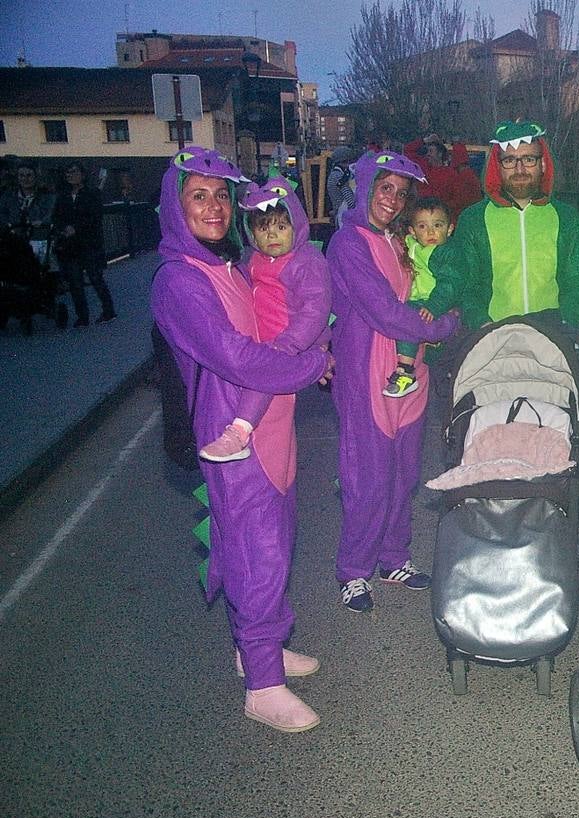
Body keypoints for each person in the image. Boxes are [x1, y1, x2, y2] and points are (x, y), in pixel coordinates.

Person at [150, 147, 330, 732]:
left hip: (273, 429)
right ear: (176, 207)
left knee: (276, 541)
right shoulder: (179, 280)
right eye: (198, 195)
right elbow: (234, 356)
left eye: (221, 195)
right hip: (233, 438)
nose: (214, 207)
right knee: (257, 554)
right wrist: (309, 367)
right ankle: (262, 685)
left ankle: (263, 649)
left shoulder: (227, 265)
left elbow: (276, 324)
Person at [327, 151, 460, 612]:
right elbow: (384, 310)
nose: (393, 199)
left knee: (404, 475)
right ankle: (354, 570)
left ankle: (392, 557)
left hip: (411, 374)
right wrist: (446, 325)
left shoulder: (400, 240)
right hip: (367, 375)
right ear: (364, 187)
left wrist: (450, 303)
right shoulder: (348, 243)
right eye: (385, 188)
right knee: (368, 479)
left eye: (401, 193)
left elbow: (428, 289)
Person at [198, 177, 332, 462]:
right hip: (267, 338)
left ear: (295, 226)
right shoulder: (253, 258)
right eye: (263, 228)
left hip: (291, 341)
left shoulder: (304, 260)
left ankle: (238, 433)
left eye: (281, 228)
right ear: (251, 233)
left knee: (262, 379)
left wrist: (290, 344)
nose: (273, 236)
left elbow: (316, 309)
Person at [427, 119, 579, 333]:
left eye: (529, 159)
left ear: (543, 164)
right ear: (497, 166)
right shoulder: (473, 220)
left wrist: (565, 324)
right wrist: (483, 325)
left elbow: (577, 282)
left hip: (555, 337)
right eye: (510, 160)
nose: (519, 169)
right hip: (491, 337)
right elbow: (466, 285)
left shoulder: (567, 218)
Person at [384, 196, 454, 397]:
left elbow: (450, 283)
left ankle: (405, 371)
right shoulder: (413, 244)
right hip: (414, 299)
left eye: (438, 225)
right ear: (413, 231)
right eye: (423, 226)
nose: (431, 232)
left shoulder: (444, 253)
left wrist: (435, 305)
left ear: (449, 229)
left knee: (408, 322)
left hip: (431, 302)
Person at [51, 162, 116, 325]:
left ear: (82, 174)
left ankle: (108, 311)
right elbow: (56, 217)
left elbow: (94, 216)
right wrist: (63, 228)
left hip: (89, 243)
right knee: (75, 282)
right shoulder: (62, 196)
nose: (71, 175)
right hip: (70, 246)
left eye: (74, 172)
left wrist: (76, 227)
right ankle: (82, 316)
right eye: (68, 172)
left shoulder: (91, 193)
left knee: (95, 277)